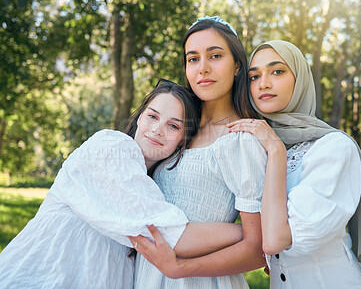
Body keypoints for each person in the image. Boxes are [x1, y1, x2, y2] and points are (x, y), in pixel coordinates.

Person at [0, 80, 245, 289]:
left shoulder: (150, 185)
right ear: (139, 118)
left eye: (173, 125)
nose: (157, 130)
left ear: (183, 139)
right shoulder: (112, 149)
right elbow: (168, 235)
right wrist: (253, 236)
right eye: (152, 116)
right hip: (44, 278)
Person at [227, 40, 361, 288]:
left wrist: (277, 151)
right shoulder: (257, 147)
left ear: (299, 79)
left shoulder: (334, 148)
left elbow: (275, 241)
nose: (264, 83)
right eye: (254, 76)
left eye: (277, 71)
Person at [130, 16, 267, 288]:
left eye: (215, 56)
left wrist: (179, 269)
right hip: (147, 277)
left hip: (198, 281)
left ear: (237, 65)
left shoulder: (241, 139)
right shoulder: (176, 128)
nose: (203, 68)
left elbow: (258, 248)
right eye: (193, 59)